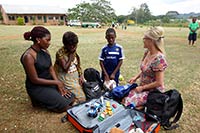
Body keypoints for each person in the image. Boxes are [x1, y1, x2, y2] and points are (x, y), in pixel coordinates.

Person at [20, 26, 75, 113]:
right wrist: (56, 82)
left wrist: (58, 84)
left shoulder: (45, 51)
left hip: (49, 82)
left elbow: (51, 69)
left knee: (71, 97)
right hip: (37, 87)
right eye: (47, 40)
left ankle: (48, 99)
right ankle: (39, 101)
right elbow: (34, 80)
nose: (49, 43)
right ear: (38, 40)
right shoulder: (29, 56)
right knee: (65, 106)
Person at [122, 26, 168, 108]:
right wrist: (135, 77)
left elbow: (159, 82)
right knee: (124, 95)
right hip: (142, 88)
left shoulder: (159, 58)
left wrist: (142, 88)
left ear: (151, 41)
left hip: (153, 92)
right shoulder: (147, 52)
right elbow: (144, 70)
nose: (143, 40)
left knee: (128, 102)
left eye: (145, 38)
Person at [54, 31, 86, 103]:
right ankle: (69, 102)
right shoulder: (60, 53)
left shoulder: (72, 50)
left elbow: (78, 65)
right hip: (65, 78)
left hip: (75, 77)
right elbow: (65, 68)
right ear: (65, 44)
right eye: (70, 45)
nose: (72, 47)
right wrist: (70, 58)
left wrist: (81, 75)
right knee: (82, 99)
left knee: (87, 89)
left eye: (74, 45)